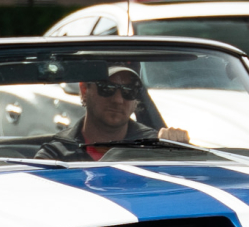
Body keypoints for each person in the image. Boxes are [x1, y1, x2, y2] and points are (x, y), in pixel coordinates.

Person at [37, 67, 190, 161]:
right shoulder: (55, 156)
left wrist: (179, 150)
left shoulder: (154, 148)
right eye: (107, 88)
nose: (118, 100)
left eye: (128, 91)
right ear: (84, 90)